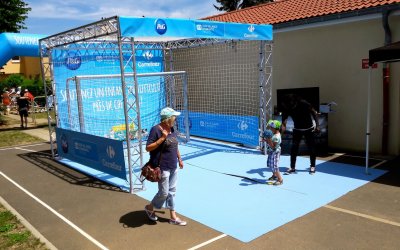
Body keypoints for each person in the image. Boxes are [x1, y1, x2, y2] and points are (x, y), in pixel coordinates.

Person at [144, 107, 186, 226]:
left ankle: (173, 217)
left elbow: (174, 144)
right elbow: (148, 148)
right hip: (162, 167)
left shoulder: (171, 128)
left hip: (173, 166)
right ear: (168, 119)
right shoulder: (155, 130)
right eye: (174, 117)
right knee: (163, 193)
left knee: (172, 192)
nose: (175, 119)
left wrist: (179, 158)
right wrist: (162, 138)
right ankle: (149, 207)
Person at [281, 94, 319, 174]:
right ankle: (292, 167)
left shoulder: (303, 103)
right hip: (297, 129)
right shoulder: (287, 107)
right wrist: (282, 130)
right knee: (294, 148)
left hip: (309, 128)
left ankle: (312, 166)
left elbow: (313, 112)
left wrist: (317, 125)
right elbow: (284, 120)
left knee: (311, 148)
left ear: (293, 102)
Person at [262, 120, 283, 185]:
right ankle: (274, 176)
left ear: (275, 128)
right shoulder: (274, 134)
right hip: (272, 152)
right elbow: (270, 143)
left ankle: (280, 179)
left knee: (275, 166)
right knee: (271, 165)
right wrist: (266, 140)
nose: (270, 129)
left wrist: (268, 139)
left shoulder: (277, 137)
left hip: (275, 152)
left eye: (271, 128)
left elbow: (273, 147)